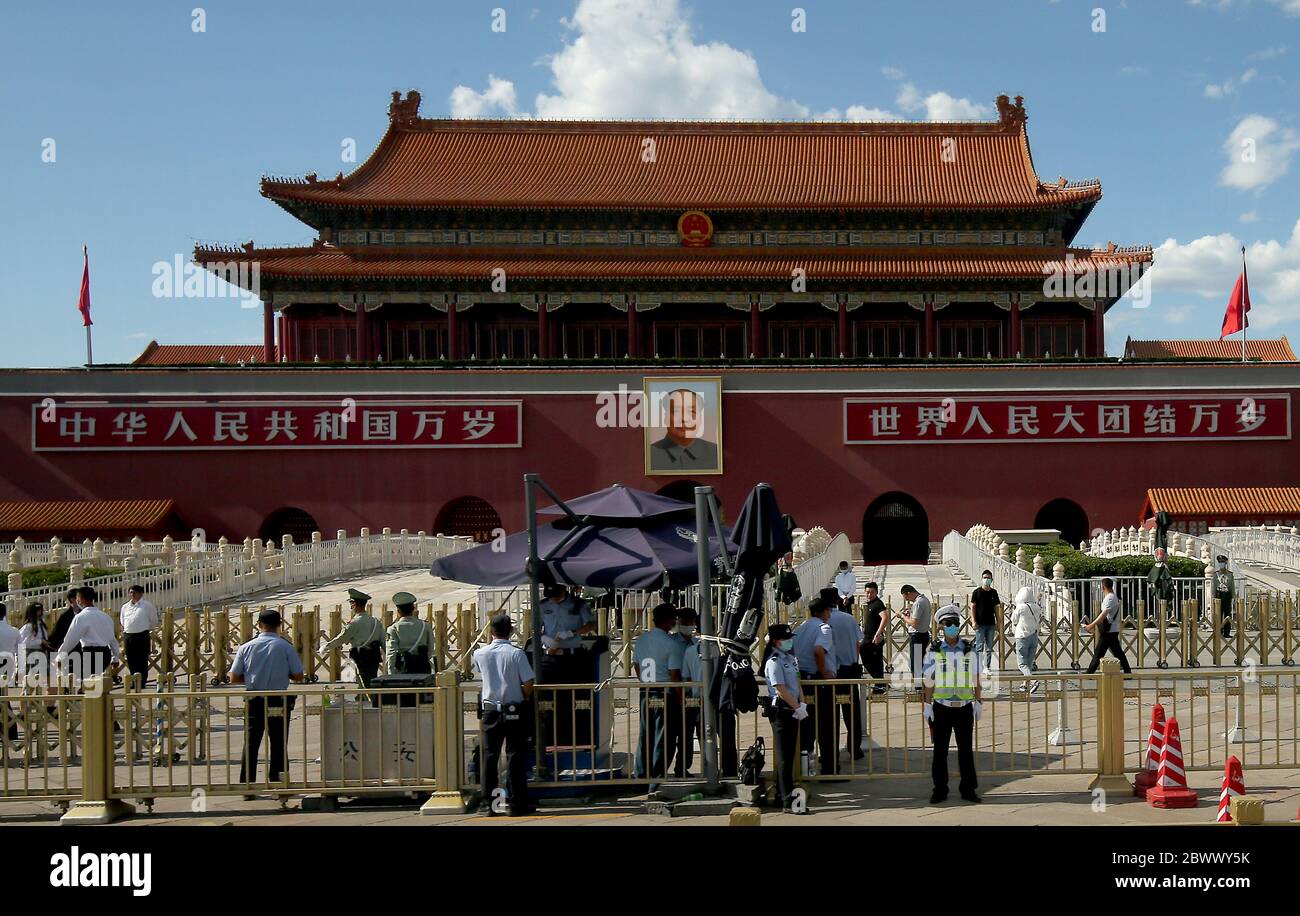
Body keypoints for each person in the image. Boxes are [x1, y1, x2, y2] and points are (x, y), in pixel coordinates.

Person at [231, 608, 304, 795]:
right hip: (278, 700)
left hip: (254, 699)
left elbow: (234, 677)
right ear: (279, 625)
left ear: (259, 625)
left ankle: (247, 785)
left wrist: (250, 678)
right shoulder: (285, 646)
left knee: (251, 742)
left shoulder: (246, 647)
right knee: (279, 742)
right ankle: (279, 782)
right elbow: (298, 675)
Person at [472, 614, 535, 816]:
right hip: (513, 708)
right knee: (515, 755)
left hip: (490, 710)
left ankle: (488, 804)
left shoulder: (480, 653)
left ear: (491, 632)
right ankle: (516, 804)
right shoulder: (517, 654)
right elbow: (528, 682)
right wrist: (523, 696)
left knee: (490, 757)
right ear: (511, 631)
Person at [923, 604, 982, 804]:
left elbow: (976, 676)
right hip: (942, 707)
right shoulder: (934, 649)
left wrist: (979, 700)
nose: (952, 627)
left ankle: (968, 788)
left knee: (966, 751)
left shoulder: (968, 648)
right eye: (948, 624)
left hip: (964, 707)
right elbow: (929, 679)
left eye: (955, 623)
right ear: (940, 626)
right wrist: (927, 704)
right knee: (940, 752)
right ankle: (939, 789)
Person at [536, 583, 598, 746]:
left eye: (556, 595)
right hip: (552, 657)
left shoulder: (578, 604)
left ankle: (578, 738)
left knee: (576, 699)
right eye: (551, 596)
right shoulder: (543, 605)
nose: (554, 599)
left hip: (573, 657)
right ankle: (552, 739)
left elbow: (592, 624)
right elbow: (536, 628)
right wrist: (544, 639)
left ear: (563, 590)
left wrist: (573, 633)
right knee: (550, 700)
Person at [632, 603, 683, 785]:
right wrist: (681, 698)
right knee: (663, 738)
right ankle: (657, 778)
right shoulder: (671, 644)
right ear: (670, 621)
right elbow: (675, 676)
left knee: (645, 736)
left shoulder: (641, 640)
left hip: (646, 692)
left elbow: (636, 665)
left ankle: (641, 776)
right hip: (665, 693)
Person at [762, 623, 808, 813]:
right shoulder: (774, 661)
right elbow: (780, 689)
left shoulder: (789, 658)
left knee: (790, 755)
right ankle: (786, 798)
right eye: (785, 639)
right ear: (775, 641)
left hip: (794, 709)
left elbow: (796, 682)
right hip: (782, 710)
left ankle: (786, 794)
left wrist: (802, 703)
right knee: (783, 757)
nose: (789, 642)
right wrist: (797, 707)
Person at [792, 590, 838, 776]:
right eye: (828, 611)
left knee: (806, 726)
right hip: (819, 682)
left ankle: (805, 768)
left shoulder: (800, 628)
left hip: (802, 682)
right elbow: (819, 651)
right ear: (824, 612)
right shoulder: (824, 628)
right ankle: (829, 767)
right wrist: (825, 672)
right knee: (826, 727)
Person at [321, 588, 384, 704]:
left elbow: (341, 638)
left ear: (354, 604)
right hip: (374, 657)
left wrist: (326, 646)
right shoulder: (375, 622)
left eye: (351, 603)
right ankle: (363, 701)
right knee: (369, 681)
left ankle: (371, 705)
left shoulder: (354, 623)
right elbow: (384, 642)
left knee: (365, 684)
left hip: (362, 658)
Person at [826, 586, 865, 760]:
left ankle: (830, 751)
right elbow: (858, 643)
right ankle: (855, 748)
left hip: (830, 673)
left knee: (829, 715)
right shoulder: (849, 619)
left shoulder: (823, 621)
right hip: (850, 670)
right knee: (852, 712)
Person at [54, 587, 119, 683]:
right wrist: (116, 657)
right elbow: (112, 639)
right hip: (105, 655)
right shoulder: (106, 616)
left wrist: (60, 655)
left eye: (77, 598)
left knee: (86, 684)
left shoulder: (81, 617)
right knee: (94, 682)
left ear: (81, 599)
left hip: (90, 654)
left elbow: (71, 640)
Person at [648, 388, 720, 472]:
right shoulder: (649, 455)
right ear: (665, 418)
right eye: (676, 411)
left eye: (691, 412)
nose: (684, 418)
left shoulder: (717, 454)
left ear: (700, 419)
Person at [672, 606, 702, 777]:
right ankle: (681, 768)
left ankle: (706, 767)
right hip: (680, 695)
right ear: (679, 622)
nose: (689, 625)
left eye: (691, 623)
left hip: (697, 696)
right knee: (684, 735)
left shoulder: (697, 644)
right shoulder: (673, 643)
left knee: (702, 732)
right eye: (685, 622)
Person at [1084, 578, 1132, 674]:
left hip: (1109, 630)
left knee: (1099, 652)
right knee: (1116, 652)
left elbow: (1103, 614)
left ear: (1103, 587)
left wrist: (1091, 625)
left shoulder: (1110, 598)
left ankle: (1090, 672)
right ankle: (1127, 672)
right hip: (1111, 629)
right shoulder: (1112, 597)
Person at [120, 584, 160, 687]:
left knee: (142, 659)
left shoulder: (147, 606)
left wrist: (145, 628)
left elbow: (153, 620)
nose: (133, 594)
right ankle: (134, 680)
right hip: (128, 635)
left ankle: (142, 681)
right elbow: (122, 621)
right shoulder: (125, 607)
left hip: (142, 635)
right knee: (131, 659)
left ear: (141, 594)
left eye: (135, 592)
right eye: (131, 592)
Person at [385, 592, 432, 675]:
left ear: (398, 610)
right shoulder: (425, 626)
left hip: (403, 670)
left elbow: (392, 654)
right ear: (413, 608)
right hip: (423, 668)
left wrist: (391, 673)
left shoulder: (393, 629)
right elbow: (430, 647)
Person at [1009, 586, 1043, 693]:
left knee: (1022, 664)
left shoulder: (1021, 607)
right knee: (1028, 663)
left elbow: (1013, 620)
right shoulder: (1037, 607)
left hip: (1022, 637)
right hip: (1034, 637)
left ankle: (1033, 680)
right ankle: (1025, 685)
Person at [900, 585, 932, 692]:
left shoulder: (918, 603)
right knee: (920, 662)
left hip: (917, 636)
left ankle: (919, 688)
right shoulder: (925, 600)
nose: (907, 600)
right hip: (924, 634)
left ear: (908, 593)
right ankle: (921, 686)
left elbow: (914, 623)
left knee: (916, 663)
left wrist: (903, 617)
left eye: (906, 597)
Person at [859, 582, 889, 694]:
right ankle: (880, 683)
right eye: (867, 592)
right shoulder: (870, 604)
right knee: (867, 658)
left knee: (876, 662)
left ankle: (880, 685)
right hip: (867, 637)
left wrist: (878, 634)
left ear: (876, 592)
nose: (869, 594)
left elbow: (885, 617)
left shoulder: (877, 604)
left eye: (871, 592)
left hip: (874, 638)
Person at [969, 570, 1001, 671]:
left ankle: (987, 666)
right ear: (982, 579)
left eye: (988, 578)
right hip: (980, 624)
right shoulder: (977, 592)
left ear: (991, 580)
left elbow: (996, 608)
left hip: (990, 623)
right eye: (984, 578)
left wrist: (998, 621)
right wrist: (973, 621)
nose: (986, 580)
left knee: (989, 647)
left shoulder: (994, 592)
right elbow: (973, 607)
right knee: (979, 646)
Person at [17, 603, 52, 675]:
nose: (42, 613)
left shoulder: (42, 626)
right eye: (40, 611)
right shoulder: (28, 627)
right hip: (32, 655)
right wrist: (40, 642)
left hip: (42, 654)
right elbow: (24, 643)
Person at [47, 588, 80, 654]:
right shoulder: (65, 616)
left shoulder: (84, 613)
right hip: (70, 651)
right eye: (78, 597)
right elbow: (58, 632)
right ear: (72, 599)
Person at [1149, 548, 1176, 622]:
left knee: (1164, 604)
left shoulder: (1164, 566)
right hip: (1158, 589)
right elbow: (1152, 577)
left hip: (1165, 588)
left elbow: (1167, 577)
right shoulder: (1156, 566)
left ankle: (1164, 621)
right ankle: (1160, 620)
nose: (1159, 556)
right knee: (1159, 604)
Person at [1213, 555, 1235, 640]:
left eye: (1222, 562)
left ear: (1225, 563)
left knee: (1227, 614)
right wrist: (1213, 597)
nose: (1221, 564)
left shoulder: (1229, 574)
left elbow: (1232, 586)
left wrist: (1233, 596)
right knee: (1218, 614)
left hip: (1227, 595)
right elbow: (1214, 586)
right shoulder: (1216, 574)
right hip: (1219, 595)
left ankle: (1227, 632)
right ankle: (1219, 631)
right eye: (1220, 562)